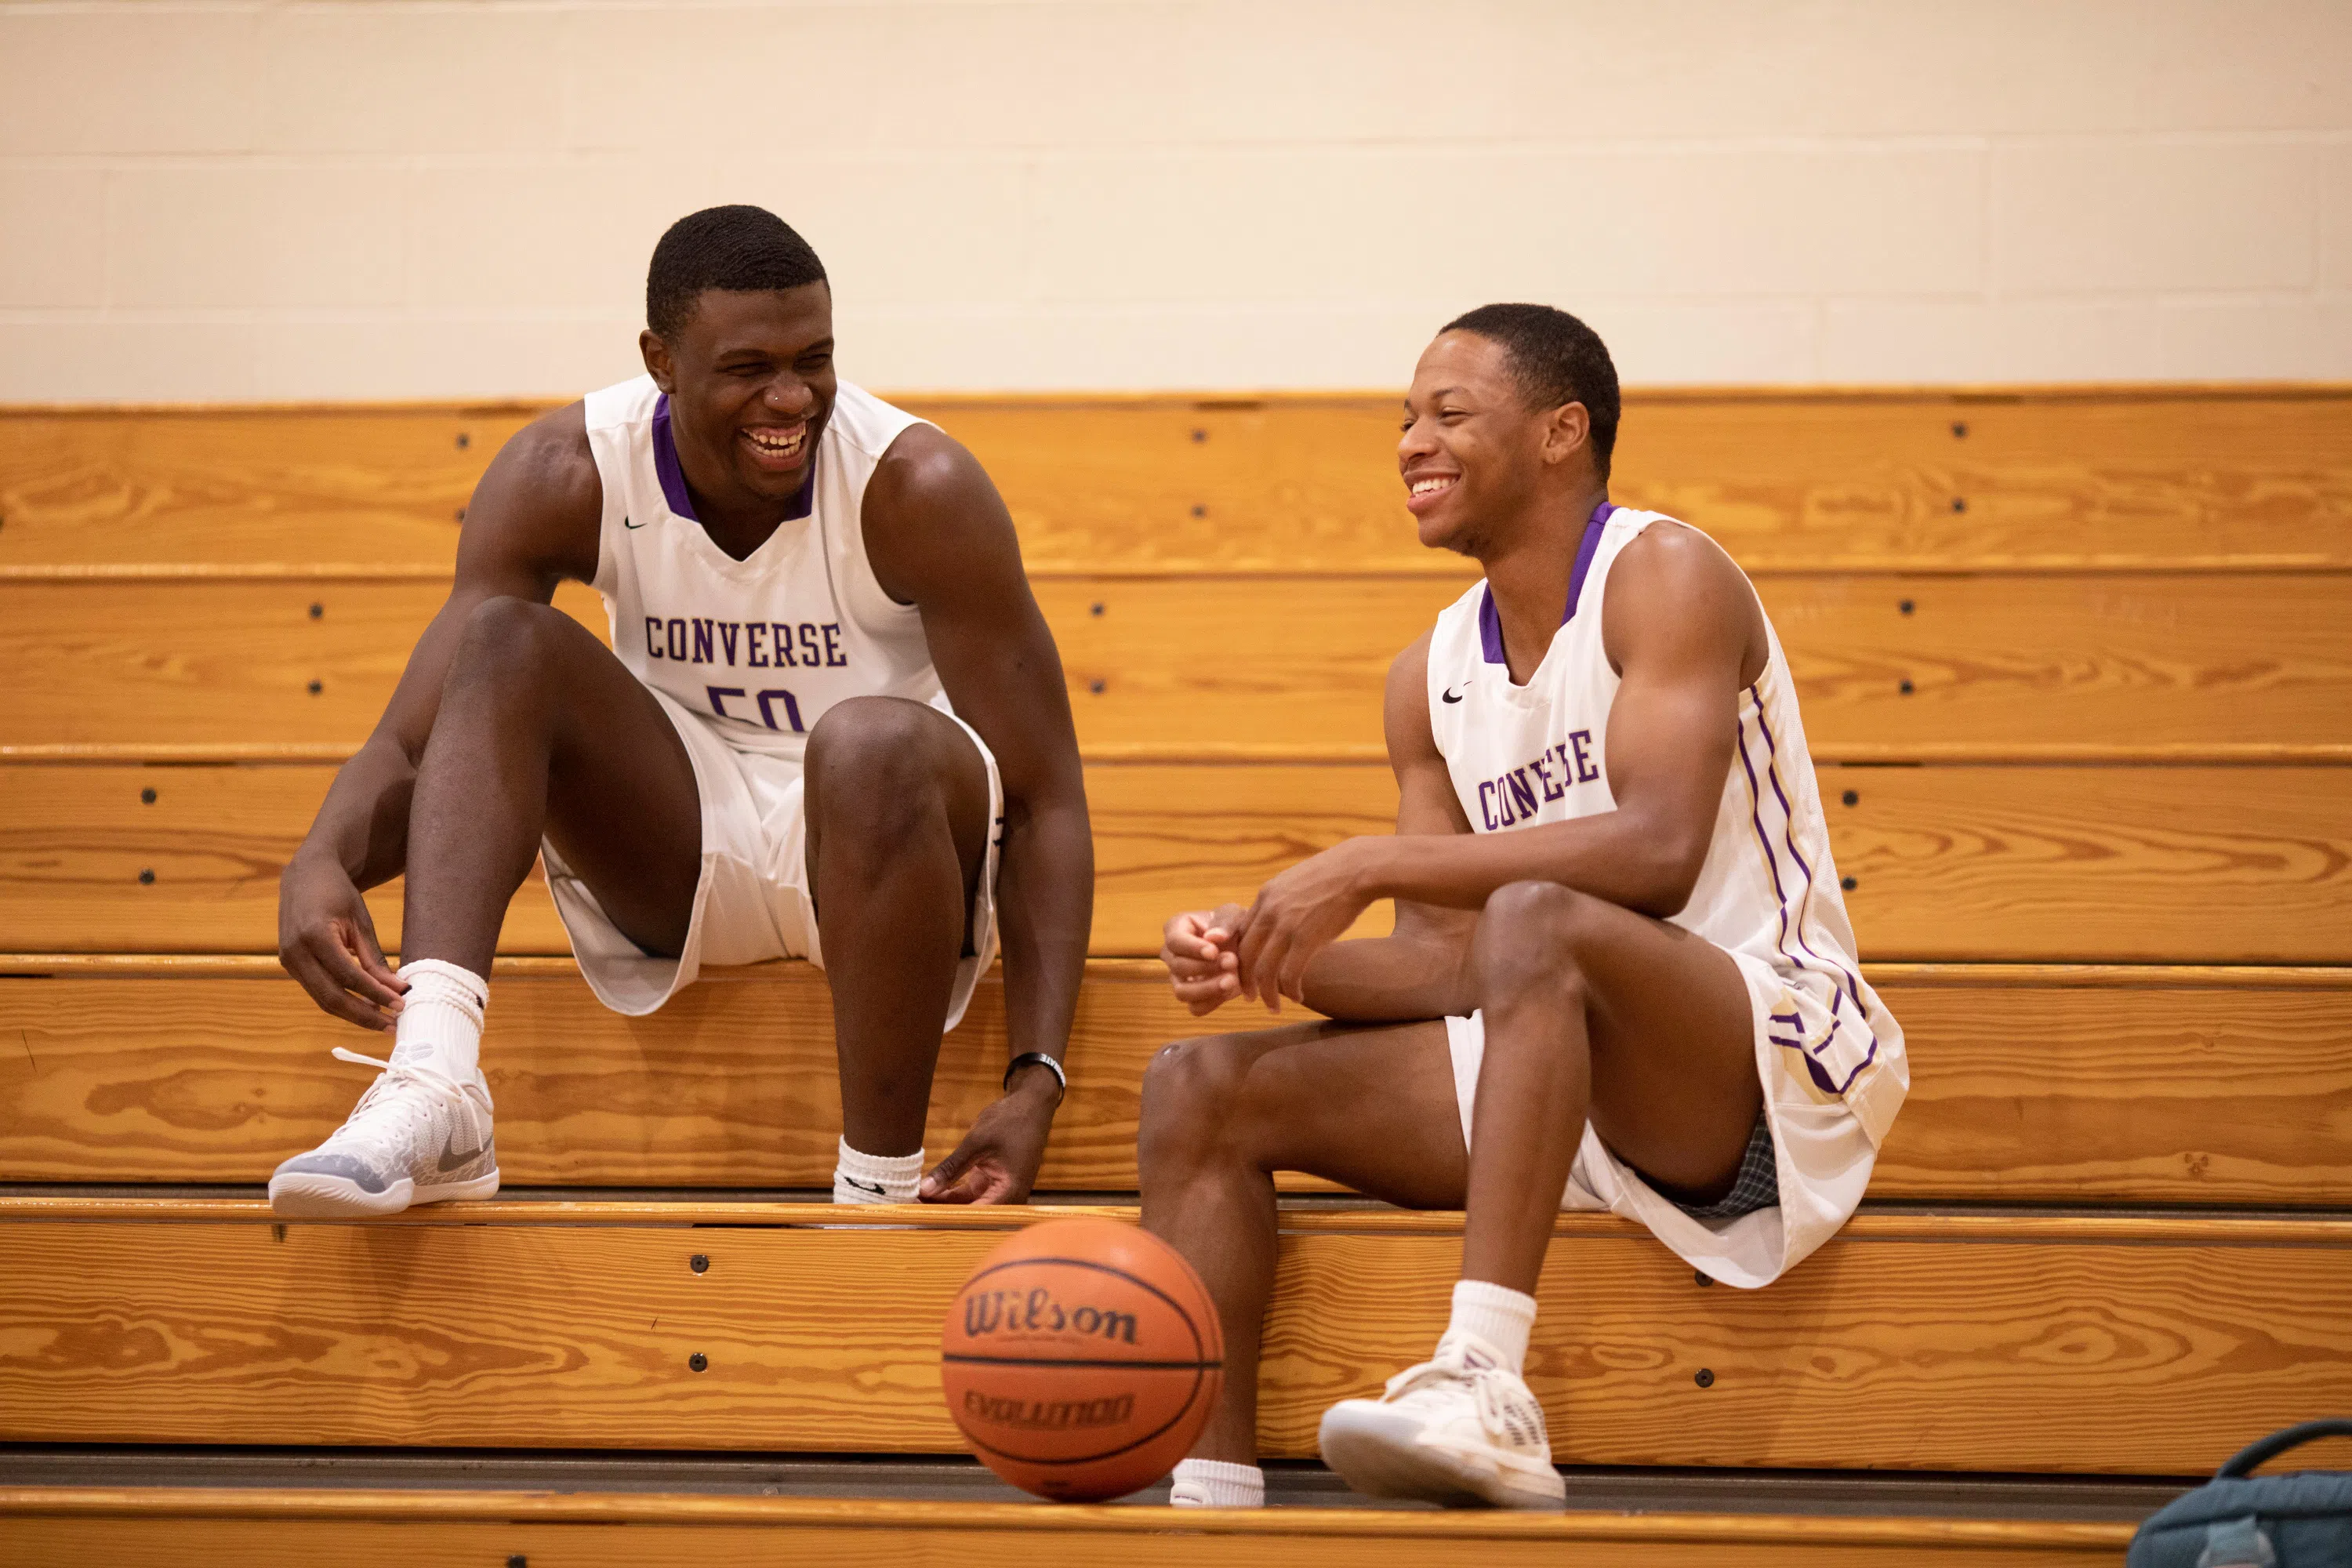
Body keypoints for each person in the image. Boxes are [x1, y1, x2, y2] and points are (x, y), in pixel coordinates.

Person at [1140, 304, 1906, 1510]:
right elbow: (1448, 970)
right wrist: (1262, 952)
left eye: (1449, 413)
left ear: (1561, 432)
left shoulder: (1663, 575)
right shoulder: (1427, 675)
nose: (1410, 441)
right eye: (1404, 418)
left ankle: (1484, 1380)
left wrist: (1371, 867)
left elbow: (1657, 852)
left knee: (1537, 917)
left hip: (1761, 1072)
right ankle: (1208, 1496)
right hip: (1552, 1073)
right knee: (1198, 1086)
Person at [269, 205, 1091, 1218]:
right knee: (502, 641)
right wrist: (321, 858)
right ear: (661, 358)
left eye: (815, 359)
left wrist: (1037, 1078)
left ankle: (875, 1192)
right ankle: (438, 1084)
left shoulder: (915, 484)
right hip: (679, 839)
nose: (791, 398)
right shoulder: (567, 471)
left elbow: (1046, 798)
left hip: (883, 851)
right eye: (749, 368)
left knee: (868, 737)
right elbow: (414, 738)